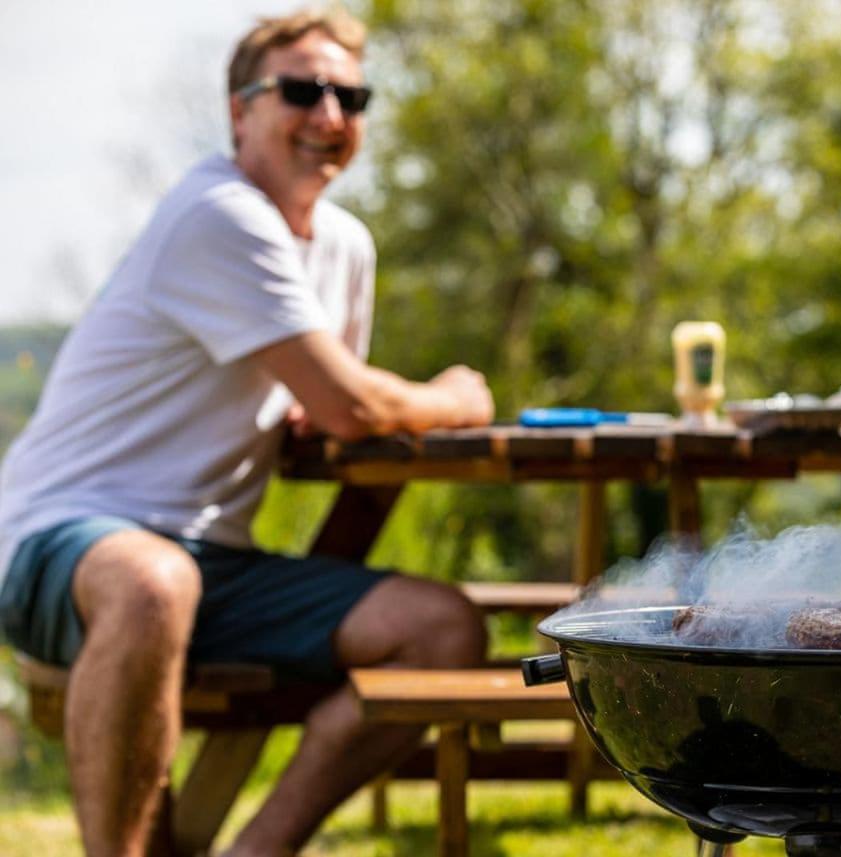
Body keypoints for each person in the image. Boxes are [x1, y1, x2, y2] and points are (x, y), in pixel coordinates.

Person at [0, 8, 494, 857]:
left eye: (351, 95)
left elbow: (331, 415)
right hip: (60, 536)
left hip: (208, 561)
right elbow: (360, 408)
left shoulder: (345, 246)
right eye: (302, 90)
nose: (330, 115)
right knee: (153, 585)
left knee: (445, 631)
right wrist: (456, 395)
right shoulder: (217, 213)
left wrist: (342, 404)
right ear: (240, 111)